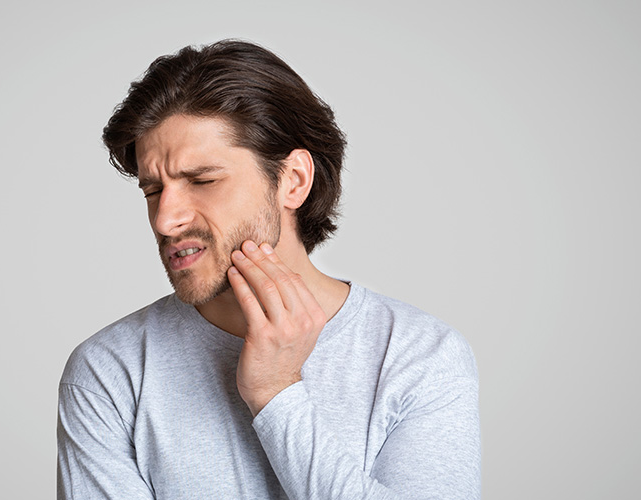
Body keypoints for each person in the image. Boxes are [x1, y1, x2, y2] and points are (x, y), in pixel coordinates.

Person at [57, 40, 480, 500]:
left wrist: (277, 393)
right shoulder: (108, 372)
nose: (165, 219)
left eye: (202, 181)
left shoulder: (419, 357)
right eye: (153, 190)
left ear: (293, 180)